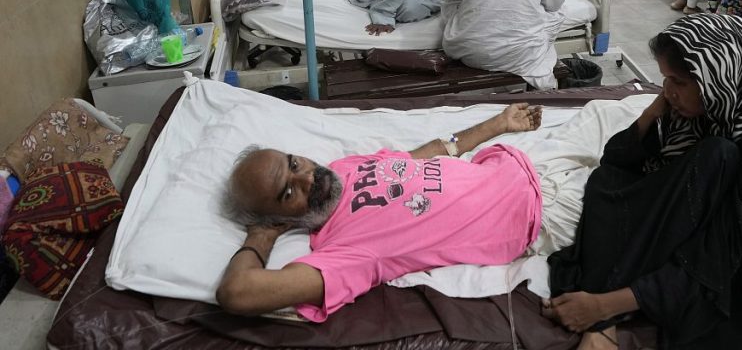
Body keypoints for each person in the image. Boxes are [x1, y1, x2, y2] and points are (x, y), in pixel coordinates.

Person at [545, 15, 742, 349]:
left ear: (720, 78)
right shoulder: (715, 114)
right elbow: (617, 162)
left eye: (680, 82)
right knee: (611, 180)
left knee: (711, 159)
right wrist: (650, 115)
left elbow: (725, 257)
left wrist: (604, 307)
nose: (669, 93)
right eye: (665, 80)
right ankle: (603, 309)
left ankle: (602, 318)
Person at [216, 103, 546, 321]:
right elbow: (237, 292)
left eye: (293, 163)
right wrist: (261, 234)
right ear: (279, 218)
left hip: (523, 160)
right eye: (288, 192)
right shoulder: (343, 251)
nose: (307, 178)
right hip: (541, 212)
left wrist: (499, 123)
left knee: (600, 110)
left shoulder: (342, 167)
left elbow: (425, 154)